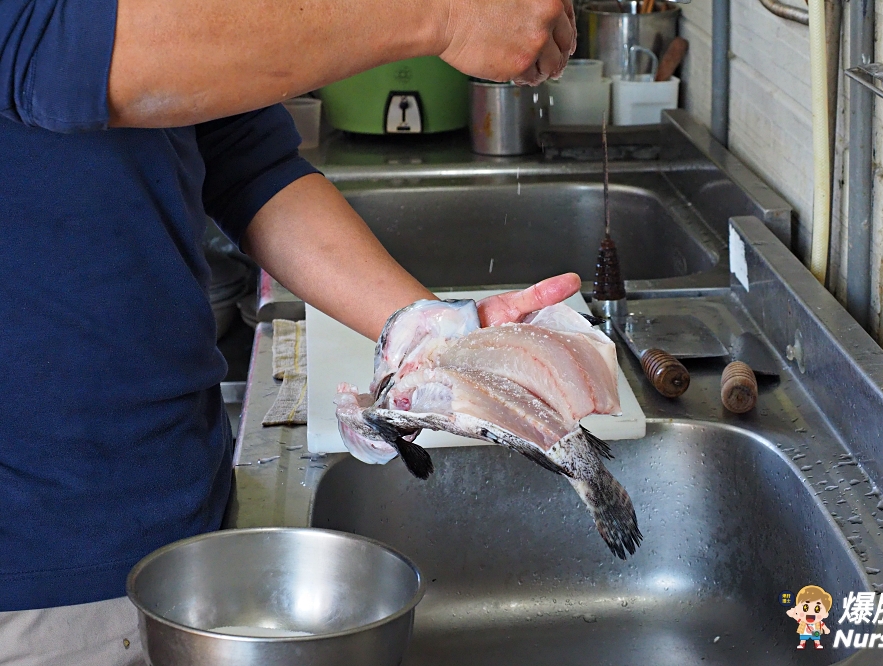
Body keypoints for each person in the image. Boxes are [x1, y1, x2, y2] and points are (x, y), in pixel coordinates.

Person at [0, 0, 578, 663]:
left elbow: (243, 157)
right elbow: (77, 53)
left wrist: (429, 330)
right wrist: (444, 16)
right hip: (35, 571)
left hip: (181, 509)